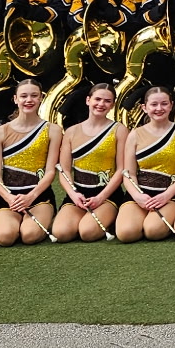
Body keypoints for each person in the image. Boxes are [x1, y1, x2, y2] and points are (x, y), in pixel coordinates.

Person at [0, 78, 60, 246]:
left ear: (41, 98)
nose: (29, 100)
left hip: (40, 196)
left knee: (29, 236)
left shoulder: (53, 130)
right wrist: (9, 198)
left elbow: (50, 171)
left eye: (34, 96)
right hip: (8, 198)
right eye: (24, 96)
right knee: (4, 238)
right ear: (15, 99)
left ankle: (45, 215)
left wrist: (31, 196)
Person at [115, 84, 175, 242]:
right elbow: (128, 173)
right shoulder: (134, 134)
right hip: (141, 192)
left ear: (171, 106)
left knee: (153, 231)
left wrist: (167, 195)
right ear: (144, 107)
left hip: (171, 193)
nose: (159, 108)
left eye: (164, 104)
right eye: (154, 104)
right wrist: (138, 195)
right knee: (126, 234)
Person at [52, 81, 123, 242]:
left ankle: (111, 216)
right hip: (78, 194)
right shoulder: (71, 132)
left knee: (87, 233)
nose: (101, 104)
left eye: (107, 101)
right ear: (88, 100)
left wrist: (101, 197)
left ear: (112, 105)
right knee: (61, 233)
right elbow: (64, 170)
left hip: (107, 194)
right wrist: (73, 194)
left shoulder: (119, 130)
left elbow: (122, 170)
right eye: (97, 99)